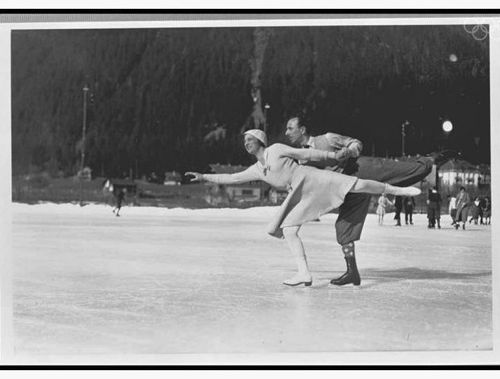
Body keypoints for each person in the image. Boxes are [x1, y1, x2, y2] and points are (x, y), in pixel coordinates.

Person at [186, 129, 421, 287]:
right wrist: (204, 176)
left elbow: (306, 153)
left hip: (310, 178)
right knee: (288, 229)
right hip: (299, 194)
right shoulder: (258, 169)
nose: (246, 143)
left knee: (354, 185)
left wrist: (332, 155)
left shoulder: (276, 149)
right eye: (245, 141)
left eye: (250, 140)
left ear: (260, 142)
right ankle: (304, 273)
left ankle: (398, 190)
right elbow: (233, 178)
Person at [284, 116, 432, 286]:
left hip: (360, 170)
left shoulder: (328, 138)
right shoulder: (300, 158)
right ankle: (352, 272)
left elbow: (356, 143)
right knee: (343, 229)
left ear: (302, 130)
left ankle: (430, 161)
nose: (286, 132)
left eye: (290, 128)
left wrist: (348, 151)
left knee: (398, 171)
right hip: (348, 189)